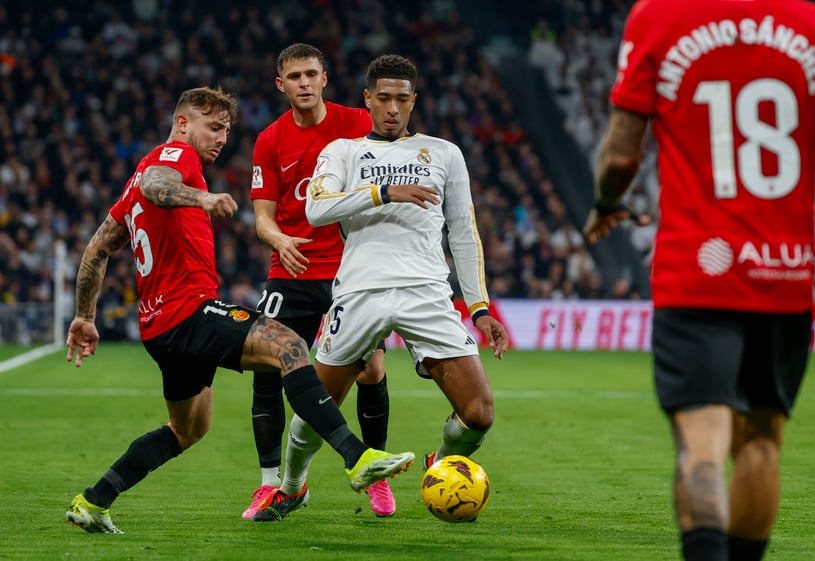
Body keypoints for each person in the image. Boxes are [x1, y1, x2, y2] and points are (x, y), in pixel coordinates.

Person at [63, 86, 414, 534]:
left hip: (158, 329)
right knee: (287, 344)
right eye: (214, 127)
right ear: (184, 123)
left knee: (187, 429)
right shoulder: (173, 157)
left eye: (226, 130)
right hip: (187, 313)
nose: (221, 138)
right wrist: (203, 199)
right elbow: (158, 184)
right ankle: (356, 458)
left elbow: (97, 249)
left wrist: (85, 315)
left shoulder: (133, 183)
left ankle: (94, 501)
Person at [583, 2, 815, 560]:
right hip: (785, 270)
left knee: (702, 445)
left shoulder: (658, 16)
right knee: (762, 443)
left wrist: (606, 202)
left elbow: (622, 156)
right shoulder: (814, 23)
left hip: (697, 271)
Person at [251, 53, 510, 523]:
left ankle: (440, 462)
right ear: (367, 99)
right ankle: (290, 488)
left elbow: (464, 234)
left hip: (426, 293)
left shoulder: (445, 153)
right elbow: (316, 210)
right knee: (314, 413)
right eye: (384, 98)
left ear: (415, 102)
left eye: (402, 100)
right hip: (359, 293)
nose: (393, 108)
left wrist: (479, 307)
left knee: (479, 413)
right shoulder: (344, 152)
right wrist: (384, 191)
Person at [245, 43, 396, 520]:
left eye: (312, 73)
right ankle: (272, 483)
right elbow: (262, 218)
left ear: (325, 79)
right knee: (265, 366)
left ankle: (377, 479)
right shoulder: (269, 140)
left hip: (349, 272)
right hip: (288, 272)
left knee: (370, 369)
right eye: (295, 76)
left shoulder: (356, 124)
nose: (304, 83)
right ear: (281, 85)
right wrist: (280, 239)